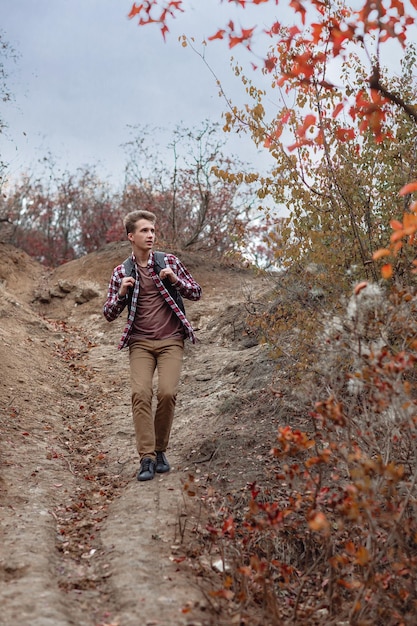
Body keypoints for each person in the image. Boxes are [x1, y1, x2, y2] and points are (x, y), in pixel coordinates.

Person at [103, 210, 202, 482]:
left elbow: (196, 292)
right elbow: (109, 313)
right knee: (140, 394)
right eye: (145, 231)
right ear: (131, 236)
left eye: (153, 231)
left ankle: (160, 451)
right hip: (140, 344)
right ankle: (146, 457)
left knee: (167, 394)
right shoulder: (121, 271)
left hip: (171, 340)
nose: (151, 235)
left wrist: (176, 281)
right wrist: (121, 294)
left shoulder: (168, 261)